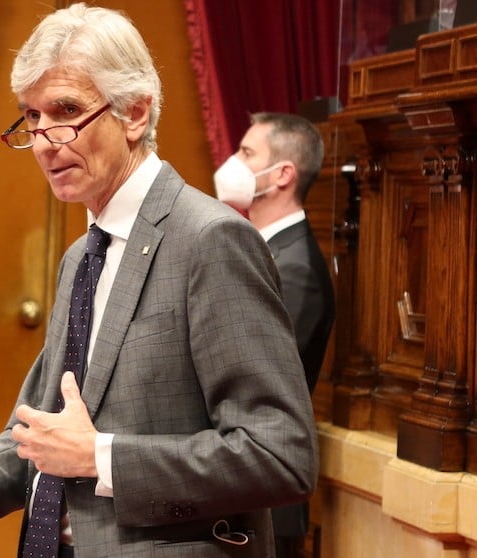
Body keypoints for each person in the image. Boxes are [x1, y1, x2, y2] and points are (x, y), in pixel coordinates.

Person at [0, 4, 318, 557]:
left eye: (66, 110)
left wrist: (101, 458)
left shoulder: (210, 240)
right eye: (32, 116)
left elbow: (278, 454)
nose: (45, 140)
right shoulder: (81, 256)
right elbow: (45, 437)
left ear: (135, 113)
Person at [214, 112, 336, 557]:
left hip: (265, 502)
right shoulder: (263, 248)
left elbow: (260, 382)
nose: (231, 162)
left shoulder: (295, 267)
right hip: (236, 490)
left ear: (284, 174)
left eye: (247, 153)